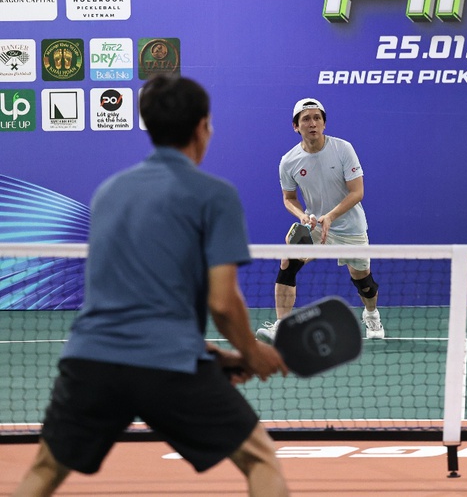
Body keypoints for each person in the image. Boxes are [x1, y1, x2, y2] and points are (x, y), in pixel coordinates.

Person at [14, 75, 290, 497]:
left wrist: (213, 354)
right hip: (168, 364)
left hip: (93, 360)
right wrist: (253, 353)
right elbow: (222, 300)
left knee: (45, 470)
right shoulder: (214, 195)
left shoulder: (109, 192)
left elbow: (119, 300)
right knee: (259, 459)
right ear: (203, 127)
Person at [256, 98, 384, 342]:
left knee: (363, 280)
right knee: (288, 261)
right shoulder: (288, 161)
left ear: (324, 123)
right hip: (315, 226)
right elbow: (289, 198)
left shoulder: (343, 149)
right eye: (306, 119)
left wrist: (331, 216)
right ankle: (283, 325)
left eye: (317, 118)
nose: (312, 123)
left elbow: (357, 192)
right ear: (296, 126)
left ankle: (372, 314)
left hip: (349, 227)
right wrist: (302, 215)